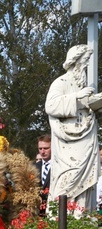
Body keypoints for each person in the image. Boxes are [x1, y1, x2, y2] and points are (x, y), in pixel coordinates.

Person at [45, 45, 101, 210]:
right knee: (68, 177)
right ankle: (63, 216)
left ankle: (82, 216)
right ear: (75, 61)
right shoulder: (61, 82)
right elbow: (51, 105)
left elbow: (85, 107)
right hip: (68, 144)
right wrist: (76, 97)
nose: (86, 64)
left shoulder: (81, 85)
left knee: (86, 178)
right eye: (84, 60)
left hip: (85, 140)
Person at [34, 134, 52, 212]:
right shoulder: (33, 167)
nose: (42, 152)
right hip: (37, 210)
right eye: (40, 148)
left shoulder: (59, 167)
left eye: (46, 148)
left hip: (53, 208)